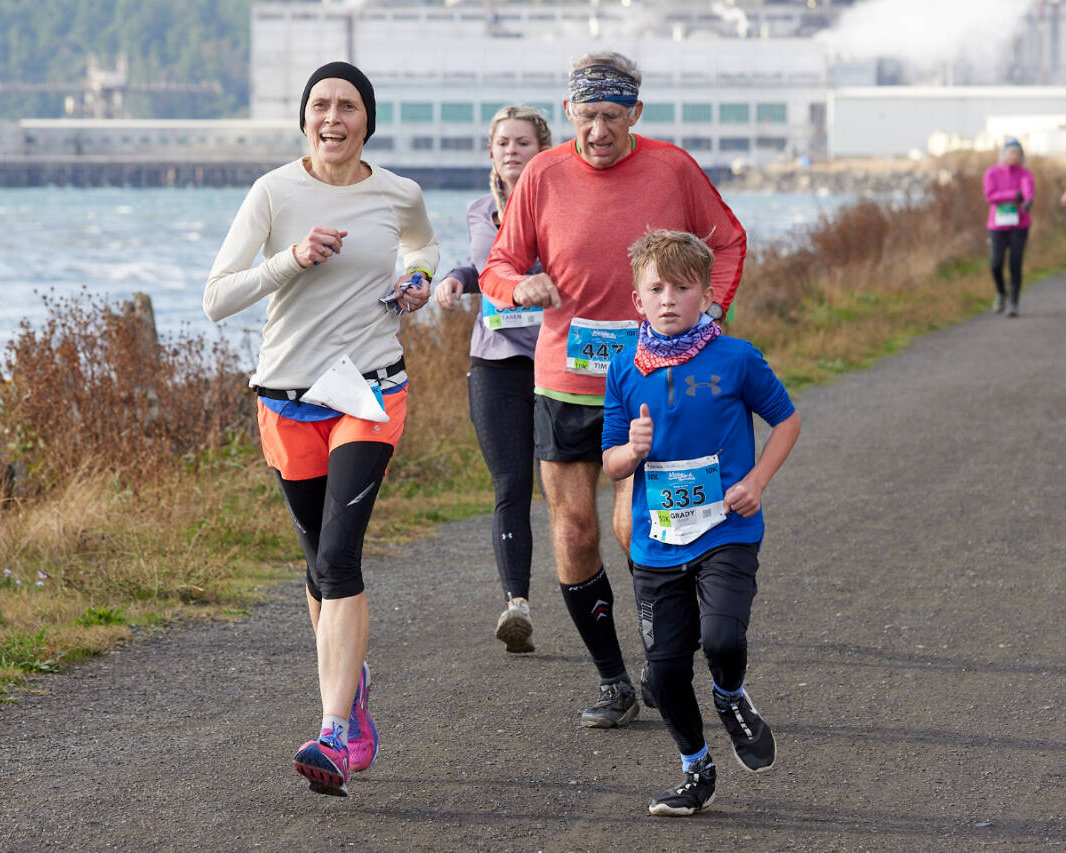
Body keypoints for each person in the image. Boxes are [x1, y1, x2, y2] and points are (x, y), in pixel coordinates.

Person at [480, 51, 747, 728]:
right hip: (564, 380)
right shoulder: (541, 174)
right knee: (573, 530)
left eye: (612, 115)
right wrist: (521, 286)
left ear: (636, 113)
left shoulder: (672, 167)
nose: (598, 130)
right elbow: (499, 267)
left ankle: (665, 662)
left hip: (652, 377)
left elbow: (730, 240)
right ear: (567, 112)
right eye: (587, 115)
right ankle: (612, 679)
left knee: (639, 526)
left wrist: (710, 313)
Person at [203, 61, 438, 797]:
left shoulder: (398, 192)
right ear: (304, 118)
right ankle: (352, 686)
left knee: (340, 560)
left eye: (346, 106)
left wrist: (420, 282)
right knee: (316, 568)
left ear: (367, 118)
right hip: (286, 397)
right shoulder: (274, 192)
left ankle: (333, 731)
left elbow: (421, 246)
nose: (332, 118)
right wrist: (291, 260)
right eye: (319, 106)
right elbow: (217, 297)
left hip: (369, 393)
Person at [601, 229, 800, 816]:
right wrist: (631, 453)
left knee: (721, 638)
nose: (668, 299)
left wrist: (756, 482)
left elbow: (785, 422)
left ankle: (731, 695)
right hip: (657, 539)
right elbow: (608, 459)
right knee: (663, 677)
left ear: (706, 294)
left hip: (726, 529)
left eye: (682, 288)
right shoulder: (622, 369)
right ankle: (696, 768)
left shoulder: (737, 358)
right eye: (655, 288)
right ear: (636, 300)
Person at [434, 105, 553, 653]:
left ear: (543, 150)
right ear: (491, 152)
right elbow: (484, 268)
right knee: (510, 484)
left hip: (559, 360)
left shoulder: (563, 204)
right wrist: (456, 280)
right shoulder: (480, 209)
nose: (511, 150)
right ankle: (516, 607)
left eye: (522, 142)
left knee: (565, 490)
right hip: (495, 361)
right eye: (502, 142)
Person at [983, 138, 1035, 317]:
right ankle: (1001, 293)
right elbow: (990, 197)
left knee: (1015, 263)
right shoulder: (992, 173)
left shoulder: (1024, 174)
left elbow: (1028, 190)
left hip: (1019, 224)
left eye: (1018, 153)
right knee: (996, 264)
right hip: (997, 225)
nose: (1015, 156)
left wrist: (1027, 200)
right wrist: (1014, 195)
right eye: (1011, 152)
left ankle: (1014, 303)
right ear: (1003, 154)